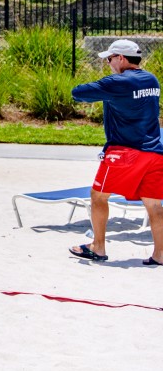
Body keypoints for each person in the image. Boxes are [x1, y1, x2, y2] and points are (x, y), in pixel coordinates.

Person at [70, 38, 163, 266]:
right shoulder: (151, 80)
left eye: (110, 59)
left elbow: (78, 92)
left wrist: (107, 85)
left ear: (121, 58)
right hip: (154, 151)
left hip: (125, 151)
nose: (109, 63)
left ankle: (98, 247)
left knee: (98, 196)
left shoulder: (118, 82)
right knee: (153, 204)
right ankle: (160, 254)